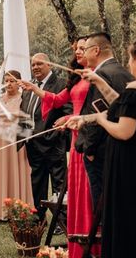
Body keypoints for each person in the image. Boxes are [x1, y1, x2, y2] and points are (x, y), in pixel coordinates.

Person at [68, 36, 136, 258]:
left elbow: (124, 131)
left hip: (133, 169)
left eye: (130, 59)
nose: (128, 64)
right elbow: (123, 105)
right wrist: (99, 82)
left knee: (132, 225)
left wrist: (99, 120)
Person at [21, 38, 96, 258]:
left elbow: (87, 108)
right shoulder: (75, 78)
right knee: (70, 185)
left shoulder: (96, 76)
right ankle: (73, 230)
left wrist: (68, 117)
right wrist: (34, 89)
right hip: (70, 137)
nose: (78, 51)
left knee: (70, 185)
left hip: (78, 137)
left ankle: (87, 231)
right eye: (77, 49)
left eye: (83, 48)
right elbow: (55, 99)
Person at [74, 31, 133, 208]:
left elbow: (100, 111)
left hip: (101, 151)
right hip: (121, 147)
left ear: (96, 50)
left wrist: (89, 149)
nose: (82, 54)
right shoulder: (123, 72)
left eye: (85, 50)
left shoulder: (103, 75)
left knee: (102, 205)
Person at [18, 53, 68, 223]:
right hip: (33, 145)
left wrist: (53, 135)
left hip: (53, 145)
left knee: (59, 185)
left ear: (50, 65)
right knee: (37, 183)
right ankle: (39, 217)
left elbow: (67, 113)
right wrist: (21, 137)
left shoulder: (61, 84)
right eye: (33, 65)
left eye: (39, 64)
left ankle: (61, 221)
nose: (36, 67)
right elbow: (25, 114)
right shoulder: (29, 88)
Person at [0, 70, 34, 220]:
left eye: (12, 81)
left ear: (19, 82)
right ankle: (0, 211)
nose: (9, 83)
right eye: (6, 80)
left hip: (15, 142)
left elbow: (28, 121)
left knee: (16, 171)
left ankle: (18, 209)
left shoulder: (24, 98)